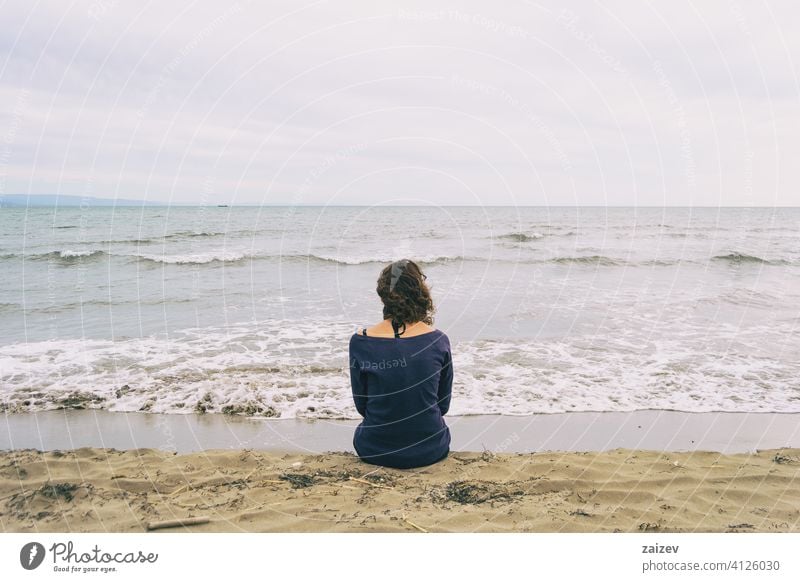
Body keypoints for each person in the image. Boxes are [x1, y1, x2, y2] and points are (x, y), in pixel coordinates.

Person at [349, 259, 453, 469]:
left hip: (375, 448)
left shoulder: (360, 341)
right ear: (421, 292)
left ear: (383, 296)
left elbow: (362, 405)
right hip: (430, 447)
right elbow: (443, 405)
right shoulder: (438, 340)